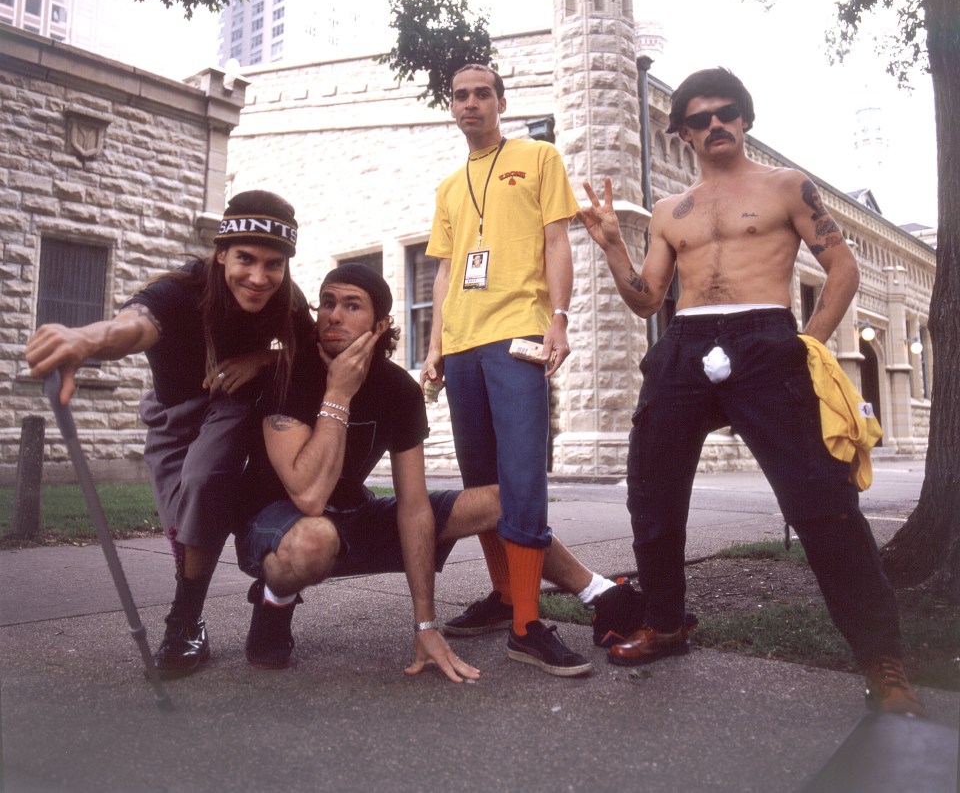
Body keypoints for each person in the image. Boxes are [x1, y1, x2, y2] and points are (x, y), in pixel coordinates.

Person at [578, 67, 925, 716]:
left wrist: (807, 343)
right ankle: (666, 621)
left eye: (726, 112)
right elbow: (647, 299)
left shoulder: (786, 186)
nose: (715, 123)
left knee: (822, 500)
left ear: (744, 120)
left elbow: (842, 268)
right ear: (683, 132)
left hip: (766, 338)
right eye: (700, 117)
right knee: (651, 492)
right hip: (684, 342)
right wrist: (613, 247)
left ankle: (882, 658)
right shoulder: (669, 211)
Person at [235, 264, 639, 679]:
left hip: (353, 518)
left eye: (351, 306)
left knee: (503, 501)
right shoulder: (291, 374)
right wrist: (338, 392)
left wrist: (425, 625)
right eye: (327, 303)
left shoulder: (398, 390)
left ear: (380, 325)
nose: (333, 316)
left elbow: (413, 508)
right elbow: (308, 496)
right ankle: (274, 602)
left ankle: (602, 594)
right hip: (276, 529)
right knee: (314, 539)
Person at [25, 190, 313, 679]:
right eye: (245, 258)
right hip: (171, 413)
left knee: (202, 480)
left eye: (274, 264)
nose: (258, 277)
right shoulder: (179, 290)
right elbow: (134, 326)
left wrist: (261, 359)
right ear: (221, 253)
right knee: (183, 521)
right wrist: (85, 339)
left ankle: (183, 623)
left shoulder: (286, 299)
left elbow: (307, 345)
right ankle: (195, 617)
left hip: (230, 406)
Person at [419, 63, 626, 677]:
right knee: (483, 485)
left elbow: (557, 241)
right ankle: (506, 595)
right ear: (451, 107)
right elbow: (445, 270)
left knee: (523, 479)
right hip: (462, 344)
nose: (471, 103)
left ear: (501, 103)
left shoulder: (538, 157)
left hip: (517, 334)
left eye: (482, 94)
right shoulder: (448, 187)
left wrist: (558, 318)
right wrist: (434, 346)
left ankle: (527, 625)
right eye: (460, 96)